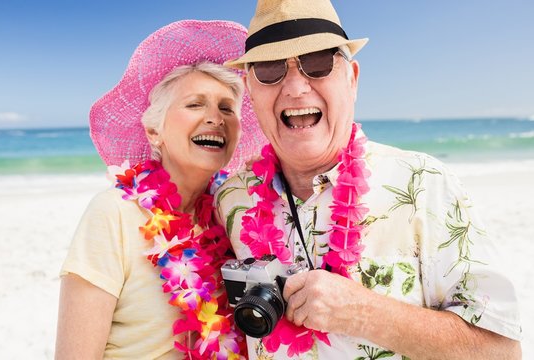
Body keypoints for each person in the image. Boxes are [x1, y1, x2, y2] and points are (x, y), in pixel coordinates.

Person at [215, 0, 522, 359]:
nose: (296, 87)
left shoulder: (424, 184)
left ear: (353, 79)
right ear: (250, 91)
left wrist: (364, 313)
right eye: (270, 68)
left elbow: (502, 351)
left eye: (318, 62)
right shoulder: (231, 199)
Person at [55, 20, 266, 359]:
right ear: (155, 132)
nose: (216, 117)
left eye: (227, 108)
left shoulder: (233, 215)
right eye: (195, 104)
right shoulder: (113, 214)